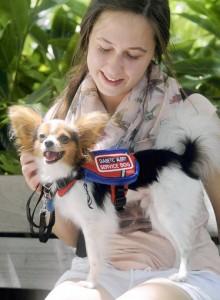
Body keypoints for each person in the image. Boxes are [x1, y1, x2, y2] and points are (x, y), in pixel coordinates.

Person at [20, 0, 220, 299]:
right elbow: (75, 235)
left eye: (133, 55)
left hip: (181, 274)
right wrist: (45, 186)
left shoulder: (191, 112)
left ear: (155, 52)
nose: (114, 67)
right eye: (104, 48)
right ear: (87, 39)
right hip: (95, 272)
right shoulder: (60, 122)